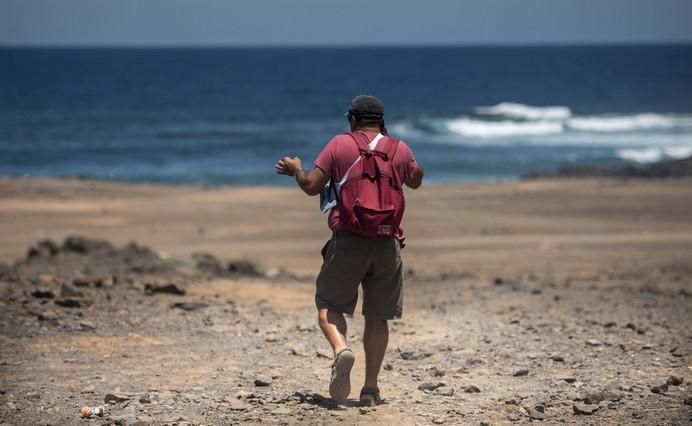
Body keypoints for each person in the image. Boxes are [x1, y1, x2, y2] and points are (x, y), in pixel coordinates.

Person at [274, 95, 424, 405]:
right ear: (381, 120)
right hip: (386, 243)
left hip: (347, 240)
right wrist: (406, 164)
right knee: (378, 315)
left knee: (330, 305)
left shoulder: (340, 145)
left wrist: (295, 170)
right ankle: (370, 389)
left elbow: (312, 185)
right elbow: (416, 181)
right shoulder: (399, 148)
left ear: (352, 119)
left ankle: (342, 349)